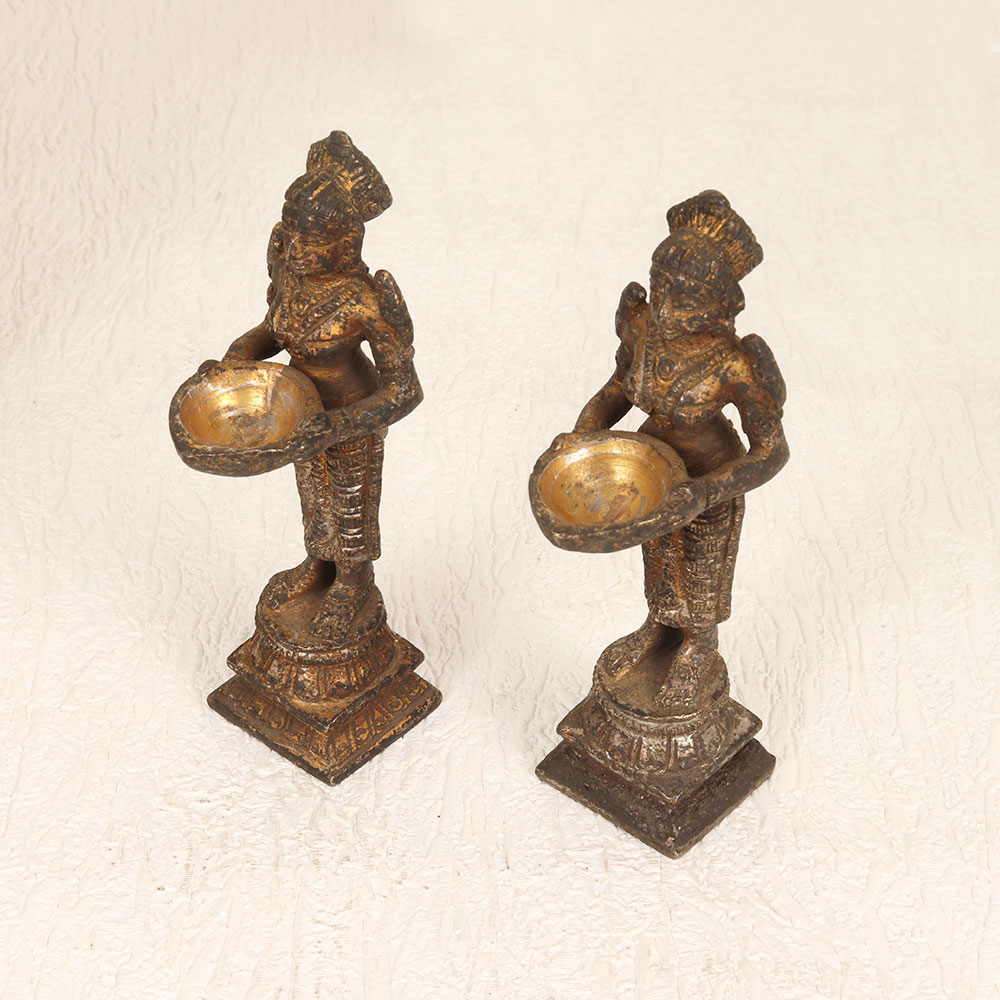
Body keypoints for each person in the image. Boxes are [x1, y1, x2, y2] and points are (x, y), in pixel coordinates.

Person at [573, 190, 789, 711]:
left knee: (701, 569)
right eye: (660, 290)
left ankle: (698, 644)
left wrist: (707, 492)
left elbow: (772, 450)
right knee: (661, 559)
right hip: (649, 471)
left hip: (709, 477)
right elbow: (617, 391)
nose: (667, 310)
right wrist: (584, 435)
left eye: (687, 300)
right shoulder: (645, 333)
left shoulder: (731, 364)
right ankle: (660, 627)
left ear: (721, 305)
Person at [220, 132, 422, 641]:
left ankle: (353, 580)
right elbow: (271, 331)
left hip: (351, 414)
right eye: (290, 235)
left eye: (311, 242)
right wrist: (233, 361)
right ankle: (319, 563)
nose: (296, 250)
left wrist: (340, 424)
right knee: (314, 493)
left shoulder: (362, 300)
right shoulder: (292, 282)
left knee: (350, 500)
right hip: (299, 411)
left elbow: (405, 391)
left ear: (345, 243)